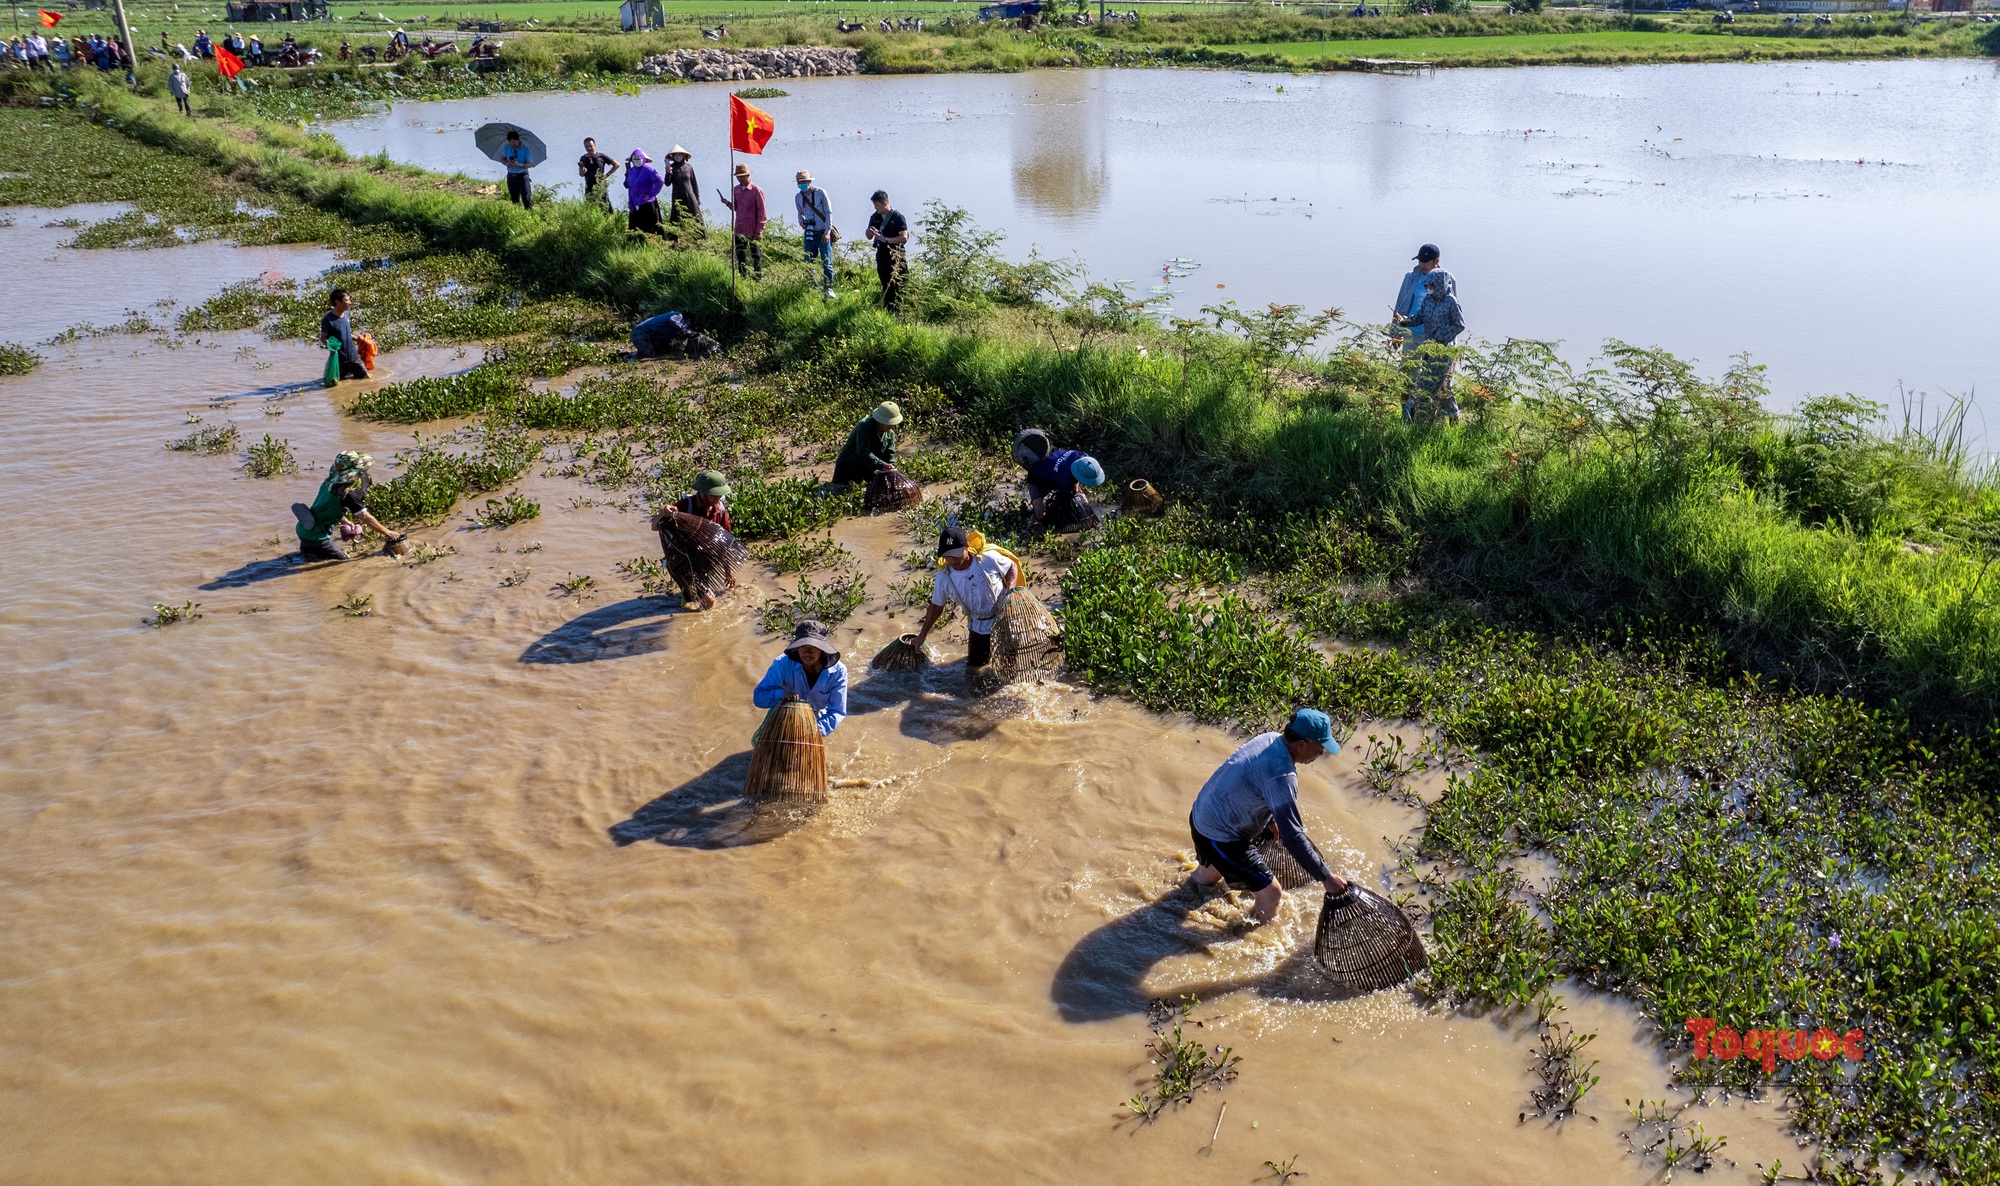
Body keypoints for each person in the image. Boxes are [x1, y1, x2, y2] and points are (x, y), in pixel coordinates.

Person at [1188, 709, 1350, 924]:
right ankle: (1250, 937)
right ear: (1301, 744)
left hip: (1201, 815)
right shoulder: (1283, 776)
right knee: (1272, 894)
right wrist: (1326, 878)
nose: (1321, 753)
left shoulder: (1269, 738)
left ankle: (1181, 900)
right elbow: (1292, 836)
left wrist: (1272, 820)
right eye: (1319, 747)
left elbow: (1251, 783)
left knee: (1206, 878)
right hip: (1221, 837)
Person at [911, 524, 1022, 671]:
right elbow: (936, 606)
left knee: (1010, 667)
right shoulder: (944, 577)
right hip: (977, 627)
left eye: (956, 554)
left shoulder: (987, 559)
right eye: (947, 556)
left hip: (1003, 619)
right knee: (974, 670)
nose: (952, 560)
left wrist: (1010, 591)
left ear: (967, 547)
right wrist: (922, 635)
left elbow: (1011, 567)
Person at [293, 451, 407, 562]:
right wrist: (388, 532)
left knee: (309, 558)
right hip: (316, 536)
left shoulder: (328, 483)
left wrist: (345, 521)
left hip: (303, 528)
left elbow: (325, 508)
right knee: (341, 563)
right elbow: (367, 518)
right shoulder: (348, 496)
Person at [752, 620, 849, 737]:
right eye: (802, 646)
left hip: (814, 717)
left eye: (813, 647)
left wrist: (815, 730)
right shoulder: (782, 664)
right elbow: (758, 698)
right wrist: (781, 694)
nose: (807, 652)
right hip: (784, 712)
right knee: (762, 744)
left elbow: (837, 711)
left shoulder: (838, 672)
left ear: (822, 649)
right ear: (797, 648)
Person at [1404, 271, 1465, 424]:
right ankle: (1453, 417)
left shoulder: (1451, 302)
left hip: (1443, 352)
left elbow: (1459, 325)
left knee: (1425, 384)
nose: (1428, 287)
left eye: (1431, 285)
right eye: (1427, 285)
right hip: (1428, 349)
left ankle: (1410, 417)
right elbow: (1419, 317)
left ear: (1439, 284)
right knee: (1441, 388)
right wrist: (1405, 321)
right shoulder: (1428, 300)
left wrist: (1440, 335)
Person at [1025, 443, 1106, 530]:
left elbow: (1075, 477)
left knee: (1080, 495)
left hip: (1055, 468)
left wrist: (1079, 493)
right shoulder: (1064, 480)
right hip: (1037, 476)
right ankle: (1039, 527)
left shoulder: (1082, 456)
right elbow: (1065, 498)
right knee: (1039, 512)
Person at [1392, 243, 1455, 351]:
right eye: (1420, 261)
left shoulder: (1448, 280)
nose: (1422, 265)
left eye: (1425, 262)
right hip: (1411, 334)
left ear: (1436, 261)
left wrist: (1452, 342)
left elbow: (1453, 311)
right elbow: (1400, 305)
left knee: (1431, 368)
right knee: (1408, 368)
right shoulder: (1411, 277)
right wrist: (1395, 331)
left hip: (1435, 339)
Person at [830, 401, 900, 487]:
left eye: (893, 424)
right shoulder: (864, 425)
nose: (891, 426)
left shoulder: (890, 434)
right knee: (837, 491)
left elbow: (889, 456)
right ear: (880, 420)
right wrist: (882, 465)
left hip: (867, 467)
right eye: (889, 423)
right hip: (849, 466)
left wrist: (891, 468)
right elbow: (863, 451)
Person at [864, 189, 909, 314]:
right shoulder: (874, 217)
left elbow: (904, 237)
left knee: (899, 285)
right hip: (882, 256)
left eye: (877, 205)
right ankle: (888, 311)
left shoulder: (898, 217)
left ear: (884, 203)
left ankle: (900, 312)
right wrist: (870, 231)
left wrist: (886, 239)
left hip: (896, 255)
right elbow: (868, 236)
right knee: (885, 284)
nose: (875, 208)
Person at [719, 162, 766, 280]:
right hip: (739, 228)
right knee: (740, 254)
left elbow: (762, 212)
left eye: (742, 176)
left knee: (756, 256)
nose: (739, 179)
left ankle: (757, 279)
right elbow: (735, 207)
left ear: (747, 176)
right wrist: (726, 203)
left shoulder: (756, 191)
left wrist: (759, 230)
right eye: (738, 177)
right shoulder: (736, 190)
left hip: (753, 229)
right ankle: (743, 277)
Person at [794, 169, 836, 299]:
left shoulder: (821, 193)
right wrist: (801, 222)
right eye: (799, 182)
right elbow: (799, 212)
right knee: (808, 262)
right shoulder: (798, 197)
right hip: (809, 233)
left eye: (803, 182)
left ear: (809, 181)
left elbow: (829, 212)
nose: (801, 185)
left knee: (826, 262)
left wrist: (827, 232)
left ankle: (829, 288)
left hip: (823, 232)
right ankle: (814, 287)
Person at [319, 288, 368, 382]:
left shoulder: (346, 314)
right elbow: (323, 338)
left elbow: (346, 333)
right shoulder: (328, 320)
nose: (349, 302)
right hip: (340, 361)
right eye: (346, 300)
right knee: (336, 384)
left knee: (366, 378)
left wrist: (358, 339)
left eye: (349, 299)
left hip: (354, 357)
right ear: (337, 302)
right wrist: (330, 346)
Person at [663, 146, 702, 241]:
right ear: (672, 156)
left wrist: (697, 199)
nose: (677, 156)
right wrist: (668, 173)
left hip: (691, 196)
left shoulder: (689, 167)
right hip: (678, 197)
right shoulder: (671, 167)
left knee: (695, 216)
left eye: (679, 154)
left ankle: (699, 239)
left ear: (684, 155)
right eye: (675, 154)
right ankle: (675, 241)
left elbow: (694, 184)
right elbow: (667, 183)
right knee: (677, 217)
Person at [624, 148, 664, 236]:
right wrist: (630, 203)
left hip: (647, 203)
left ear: (643, 158)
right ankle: (637, 246)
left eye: (638, 158)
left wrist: (651, 194)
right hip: (635, 203)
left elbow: (660, 181)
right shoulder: (631, 171)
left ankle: (651, 245)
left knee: (649, 228)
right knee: (636, 229)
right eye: (634, 159)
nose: (637, 161)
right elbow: (630, 188)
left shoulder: (648, 169)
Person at [577, 137, 618, 210]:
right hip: (589, 187)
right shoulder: (583, 158)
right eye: (586, 146)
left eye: (591, 146)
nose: (589, 148)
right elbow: (581, 174)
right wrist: (582, 172)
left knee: (605, 209)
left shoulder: (601, 156)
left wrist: (606, 175)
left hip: (600, 186)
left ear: (595, 145)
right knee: (590, 209)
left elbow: (616, 165)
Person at [499, 129, 534, 210]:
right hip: (511, 175)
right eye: (510, 142)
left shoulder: (525, 150)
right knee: (514, 197)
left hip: (522, 176)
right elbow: (502, 158)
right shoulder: (506, 148)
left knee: (526, 197)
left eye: (514, 142)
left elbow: (530, 164)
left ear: (518, 140)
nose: (512, 144)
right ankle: (517, 213)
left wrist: (519, 165)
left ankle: (529, 214)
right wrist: (506, 163)